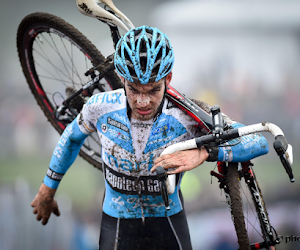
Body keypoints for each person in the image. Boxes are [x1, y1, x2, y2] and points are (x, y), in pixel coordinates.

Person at [31, 26, 269, 250]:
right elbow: (71, 138)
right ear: (122, 79)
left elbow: (258, 141)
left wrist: (205, 153)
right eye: (134, 89)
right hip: (117, 222)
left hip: (168, 220)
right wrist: (47, 188)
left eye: (153, 90)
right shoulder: (100, 107)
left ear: (168, 79)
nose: (142, 102)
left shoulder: (187, 114)